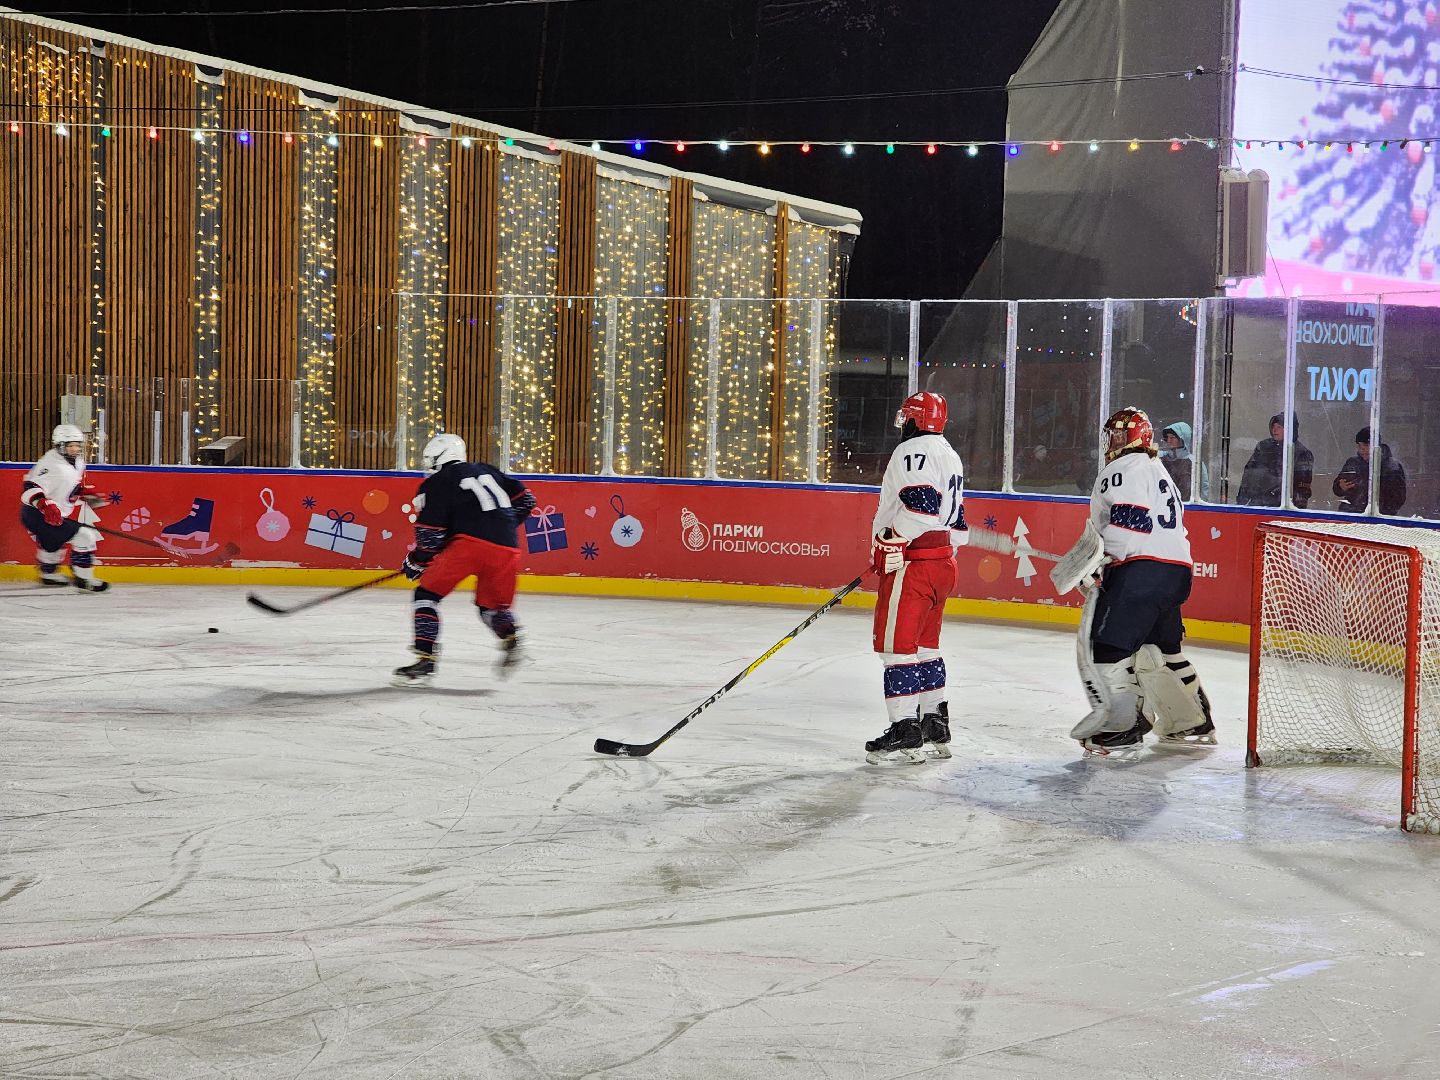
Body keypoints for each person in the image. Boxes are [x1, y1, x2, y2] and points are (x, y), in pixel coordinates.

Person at [1068, 406, 1216, 758]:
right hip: (1175, 570)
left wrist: (1101, 563)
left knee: (1107, 648)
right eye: (1113, 434)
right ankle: (1190, 721)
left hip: (1140, 570)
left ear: (1136, 438)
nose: (1115, 440)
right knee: (1161, 650)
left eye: (1121, 434)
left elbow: (1129, 522)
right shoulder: (1158, 469)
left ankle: (1121, 728)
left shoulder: (1120, 468)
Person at [863, 391, 967, 764]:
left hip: (914, 564)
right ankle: (934, 720)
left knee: (897, 649)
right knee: (926, 646)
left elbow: (921, 509)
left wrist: (891, 540)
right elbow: (957, 522)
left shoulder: (912, 452)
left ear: (913, 419)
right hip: (941, 565)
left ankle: (905, 727)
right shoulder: (949, 452)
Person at [392, 432, 537, 687]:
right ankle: (511, 637)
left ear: (438, 458)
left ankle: (426, 658)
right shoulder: (487, 470)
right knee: (492, 608)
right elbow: (526, 500)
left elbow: (430, 536)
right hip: (507, 546)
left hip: (469, 547)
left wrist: (416, 562)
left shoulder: (436, 483)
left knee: (426, 596)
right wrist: (501, 524)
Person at [18, 424, 109, 592]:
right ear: (60, 445)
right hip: (37, 514)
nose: (74, 449)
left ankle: (49, 574)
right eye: (70, 445)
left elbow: (68, 485)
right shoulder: (50, 464)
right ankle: (84, 579)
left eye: (77, 445)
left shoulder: (77, 462)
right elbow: (30, 487)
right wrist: (45, 506)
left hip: (50, 514)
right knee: (85, 537)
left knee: (52, 541)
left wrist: (85, 493)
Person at [1237, 413, 1313, 508]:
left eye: (1279, 427)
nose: (1274, 430)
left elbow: (1301, 489)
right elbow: (1248, 475)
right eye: (1273, 426)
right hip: (1256, 505)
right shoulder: (1263, 446)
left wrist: (1295, 512)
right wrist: (1241, 503)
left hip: (1281, 508)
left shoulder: (1301, 453)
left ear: (1290, 429)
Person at [1334, 426, 1407, 515]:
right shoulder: (1352, 462)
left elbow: (1398, 499)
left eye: (1366, 445)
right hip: (1351, 514)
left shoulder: (1392, 467)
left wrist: (1378, 508)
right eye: (1360, 445)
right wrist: (1341, 487)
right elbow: (1337, 489)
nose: (1362, 449)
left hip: (1380, 518)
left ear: (1377, 446)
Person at [1158, 421, 1209, 501]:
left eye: (1172, 437)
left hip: (1188, 509)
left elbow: (1203, 489)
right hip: (1162, 509)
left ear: (1182, 439)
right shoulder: (1159, 458)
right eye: (1167, 437)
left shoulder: (1195, 462)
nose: (1168, 440)